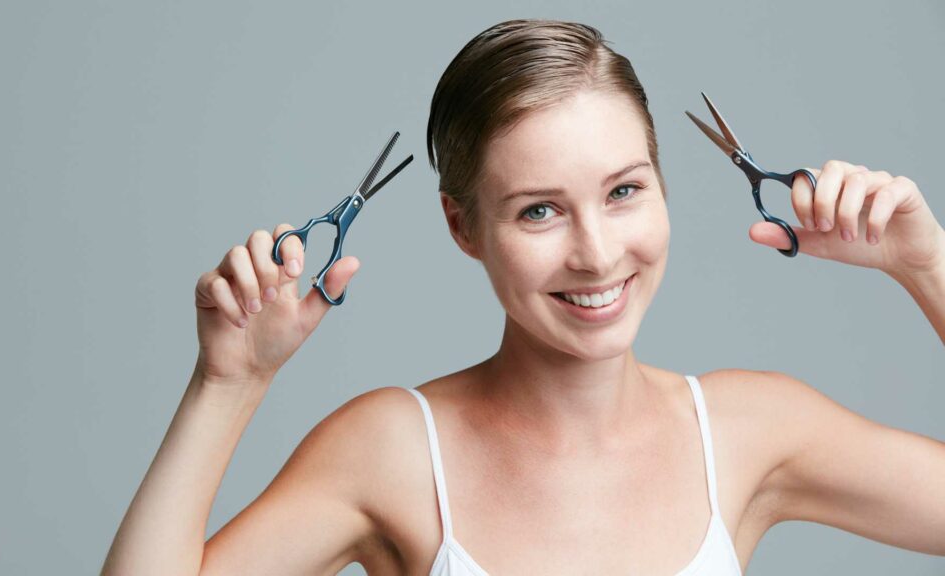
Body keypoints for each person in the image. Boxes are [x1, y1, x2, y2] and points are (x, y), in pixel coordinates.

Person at [102, 18, 945, 576]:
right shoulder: (393, 452)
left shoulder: (750, 432)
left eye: (623, 192)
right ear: (463, 228)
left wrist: (925, 264)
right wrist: (227, 385)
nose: (597, 252)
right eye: (538, 210)